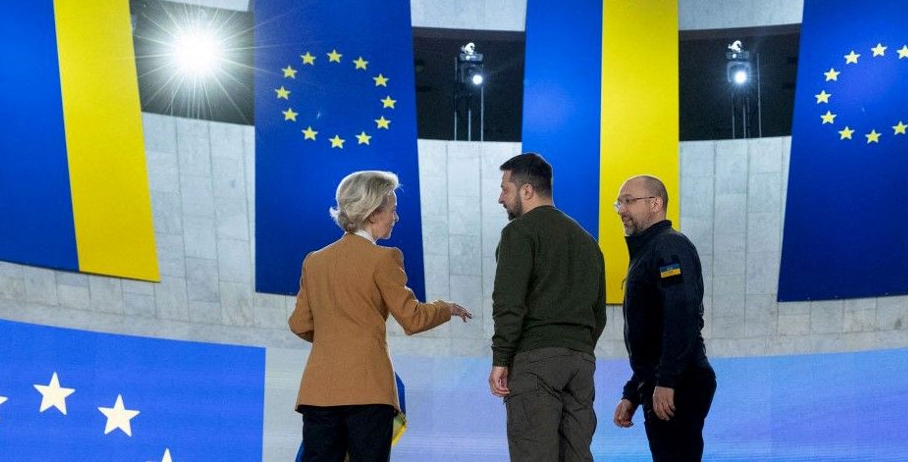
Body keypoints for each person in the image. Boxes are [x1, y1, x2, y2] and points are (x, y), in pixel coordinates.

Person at [288, 170, 473, 462]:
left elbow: (299, 323)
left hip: (318, 392)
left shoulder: (314, 261)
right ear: (374, 214)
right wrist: (445, 307)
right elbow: (412, 319)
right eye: (393, 211)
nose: (395, 218)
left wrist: (331, 339)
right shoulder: (385, 258)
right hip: (369, 392)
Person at [488, 152, 607, 462]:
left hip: (535, 361)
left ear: (526, 191)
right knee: (577, 456)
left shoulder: (519, 232)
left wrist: (501, 358)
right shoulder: (588, 241)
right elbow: (599, 313)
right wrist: (576, 346)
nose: (501, 198)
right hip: (581, 364)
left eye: (505, 188)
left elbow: (509, 302)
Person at [611, 175, 716, 462]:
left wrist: (667, 381)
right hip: (665, 381)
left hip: (679, 384)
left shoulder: (669, 248)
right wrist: (633, 391)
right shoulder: (649, 251)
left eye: (628, 201)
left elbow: (682, 316)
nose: (621, 210)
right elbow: (652, 335)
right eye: (619, 203)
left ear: (656, 203)